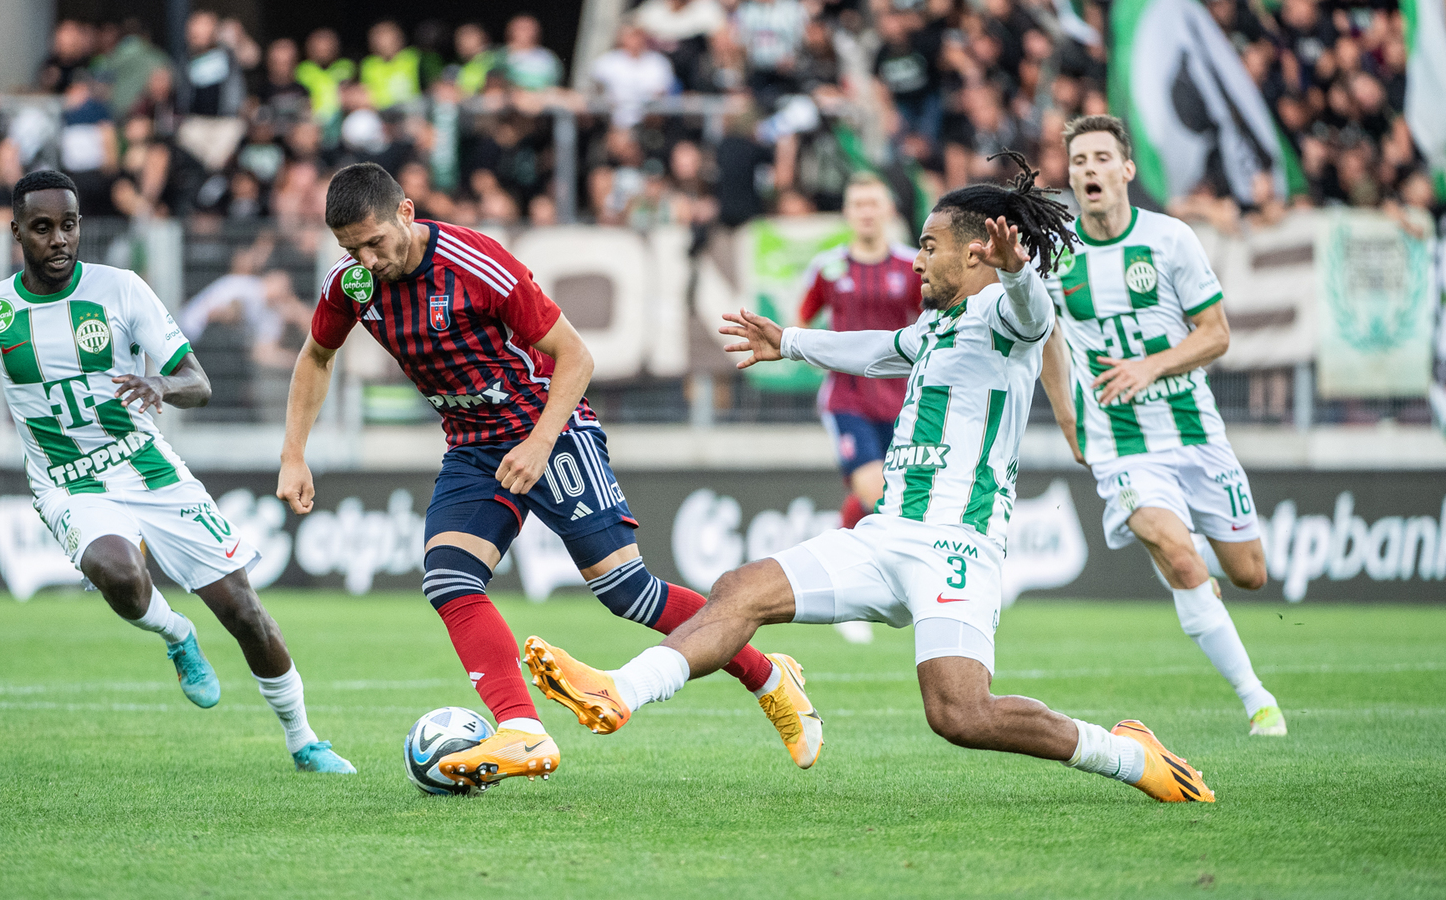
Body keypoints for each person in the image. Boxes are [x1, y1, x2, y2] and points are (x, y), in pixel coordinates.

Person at [523, 155, 1219, 804]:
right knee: (740, 589)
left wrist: (1016, 273)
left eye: (929, 246)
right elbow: (875, 349)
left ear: (975, 252)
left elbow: (1035, 315)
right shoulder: (937, 327)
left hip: (957, 545)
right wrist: (788, 342)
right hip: (885, 535)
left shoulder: (1006, 319)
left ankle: (1127, 755)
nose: (916, 260)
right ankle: (621, 690)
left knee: (960, 714)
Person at [277, 163, 820, 790]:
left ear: (406, 212)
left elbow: (576, 356)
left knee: (627, 592)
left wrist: (538, 444)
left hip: (550, 426)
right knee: (449, 579)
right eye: (353, 250)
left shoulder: (475, 263)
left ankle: (770, 677)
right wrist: (294, 453)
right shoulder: (351, 284)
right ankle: (523, 729)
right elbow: (317, 356)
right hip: (473, 446)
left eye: (375, 242)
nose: (368, 261)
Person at [0, 170, 355, 774]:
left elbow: (198, 383)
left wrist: (160, 383)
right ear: (16, 232)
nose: (59, 239)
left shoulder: (121, 290)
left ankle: (304, 740)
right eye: (43, 228)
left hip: (147, 465)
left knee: (243, 611)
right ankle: (177, 633)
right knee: (118, 571)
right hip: (67, 482)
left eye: (69, 225)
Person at [1037, 115, 1286, 737]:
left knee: (1249, 574)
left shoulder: (1170, 239)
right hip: (1120, 443)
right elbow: (1047, 339)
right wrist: (1068, 418)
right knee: (1183, 559)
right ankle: (1258, 700)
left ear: (1126, 169)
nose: (1089, 169)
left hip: (1195, 432)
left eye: (1101, 158)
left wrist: (1150, 367)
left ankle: (1179, 559)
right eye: (1079, 161)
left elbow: (1216, 335)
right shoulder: (1057, 254)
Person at [795, 172, 922, 644]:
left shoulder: (912, 265)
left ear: (888, 210)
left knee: (895, 496)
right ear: (848, 213)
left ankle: (843, 579)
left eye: (874, 203)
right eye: (858, 204)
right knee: (876, 490)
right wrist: (812, 352)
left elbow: (933, 319)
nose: (866, 212)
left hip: (903, 401)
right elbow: (800, 319)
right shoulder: (828, 268)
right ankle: (850, 588)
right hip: (847, 399)